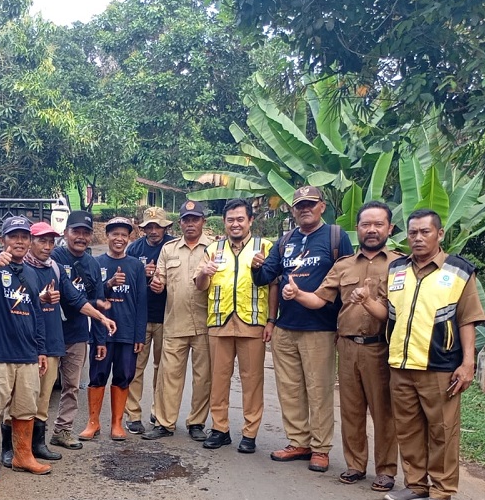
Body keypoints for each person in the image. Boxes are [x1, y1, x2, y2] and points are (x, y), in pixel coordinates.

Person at [356, 209, 485, 500]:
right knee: (408, 429)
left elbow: (468, 319)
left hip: (440, 366)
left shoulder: (458, 271)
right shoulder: (398, 268)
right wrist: (365, 300)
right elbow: (389, 313)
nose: (417, 237)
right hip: (400, 364)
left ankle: (442, 492)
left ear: (439, 234)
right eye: (413, 232)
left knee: (442, 431)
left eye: (425, 232)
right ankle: (416, 485)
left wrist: (468, 364)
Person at [283, 201, 401, 489]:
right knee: (351, 409)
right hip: (347, 345)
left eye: (378, 224)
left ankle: (385, 469)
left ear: (389, 228)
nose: (371, 230)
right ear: (357, 228)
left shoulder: (400, 264)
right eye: (365, 225)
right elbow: (320, 299)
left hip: (380, 347)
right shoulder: (343, 265)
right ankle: (355, 465)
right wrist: (297, 293)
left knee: (383, 411)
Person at [252, 183, 353, 472]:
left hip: (319, 327)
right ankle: (299, 441)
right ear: (293, 210)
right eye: (299, 205)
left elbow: (346, 280)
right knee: (290, 388)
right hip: (286, 326)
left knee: (318, 388)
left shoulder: (336, 237)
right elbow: (266, 276)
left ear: (322, 206)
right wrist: (257, 265)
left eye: (310, 204)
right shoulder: (285, 240)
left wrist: (341, 325)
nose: (305, 209)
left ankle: (320, 448)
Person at [2, 222, 116, 463]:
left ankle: (37, 444)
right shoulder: (18, 268)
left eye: (50, 242)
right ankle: (9, 447)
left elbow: (76, 299)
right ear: (31, 242)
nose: (47, 246)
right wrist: (40, 297)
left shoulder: (54, 268)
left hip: (52, 341)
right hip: (25, 343)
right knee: (20, 397)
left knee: (43, 398)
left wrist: (101, 317)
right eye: (42, 241)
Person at [0, 216, 50, 488]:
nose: (19, 241)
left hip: (26, 355)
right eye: (13, 236)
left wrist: (40, 349)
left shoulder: (31, 272)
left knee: (25, 410)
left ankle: (22, 456)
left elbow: (37, 314)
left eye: (24, 237)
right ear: (2, 240)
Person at [194, 198, 277, 453]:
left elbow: (274, 284)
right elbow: (199, 286)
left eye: (240, 219)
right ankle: (220, 429)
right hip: (219, 322)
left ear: (250, 221)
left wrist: (271, 321)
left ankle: (249, 433)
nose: (235, 224)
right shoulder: (213, 249)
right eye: (230, 219)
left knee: (252, 380)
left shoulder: (264, 246)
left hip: (252, 322)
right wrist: (204, 273)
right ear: (224, 222)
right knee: (218, 379)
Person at [142, 200, 213, 441]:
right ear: (180, 223)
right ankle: (164, 423)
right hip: (174, 322)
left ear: (203, 221)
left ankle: (196, 423)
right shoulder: (169, 249)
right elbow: (158, 282)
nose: (190, 224)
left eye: (195, 219)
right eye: (186, 219)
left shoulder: (214, 248)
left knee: (203, 377)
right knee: (168, 375)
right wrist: (156, 284)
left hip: (205, 324)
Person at [79, 217, 147, 441]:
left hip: (127, 333)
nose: (119, 238)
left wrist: (139, 334)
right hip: (101, 333)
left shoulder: (136, 266)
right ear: (107, 236)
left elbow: (141, 302)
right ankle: (93, 422)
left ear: (129, 238)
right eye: (115, 234)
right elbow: (90, 299)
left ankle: (117, 423)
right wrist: (108, 284)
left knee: (123, 376)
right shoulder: (94, 263)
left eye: (124, 235)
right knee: (97, 375)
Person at [49, 211, 107, 450]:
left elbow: (100, 301)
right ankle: (31, 433)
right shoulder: (53, 257)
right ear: (66, 233)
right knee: (39, 387)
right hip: (50, 333)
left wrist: (100, 341)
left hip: (78, 334)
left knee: (71, 386)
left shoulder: (93, 264)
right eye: (76, 232)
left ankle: (62, 430)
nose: (80, 237)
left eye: (85, 233)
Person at [124, 206, 174, 434]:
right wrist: (142, 275)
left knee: (163, 369)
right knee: (136, 367)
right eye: (149, 227)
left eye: (158, 226)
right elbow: (125, 284)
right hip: (141, 317)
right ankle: (133, 414)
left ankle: (159, 411)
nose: (154, 231)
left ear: (166, 227)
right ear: (143, 229)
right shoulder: (134, 249)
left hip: (167, 316)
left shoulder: (173, 247)